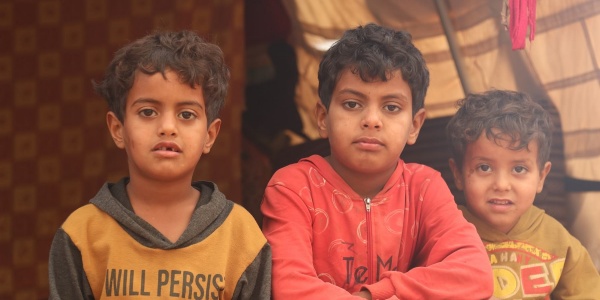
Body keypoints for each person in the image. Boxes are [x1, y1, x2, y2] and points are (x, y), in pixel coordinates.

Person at [260, 23, 493, 299]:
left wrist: (376, 293)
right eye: (352, 104)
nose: (371, 120)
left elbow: (474, 274)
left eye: (391, 107)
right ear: (322, 117)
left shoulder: (424, 187)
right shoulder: (293, 187)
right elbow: (288, 289)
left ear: (415, 126)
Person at [48, 30, 271, 299]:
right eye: (148, 112)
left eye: (186, 114)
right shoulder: (82, 235)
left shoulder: (241, 236)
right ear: (118, 129)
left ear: (209, 136)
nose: (167, 127)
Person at [446, 89, 600, 299]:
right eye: (484, 168)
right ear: (458, 175)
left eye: (519, 169)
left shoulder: (557, 238)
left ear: (541, 177)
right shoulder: (444, 232)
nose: (501, 185)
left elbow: (586, 292)